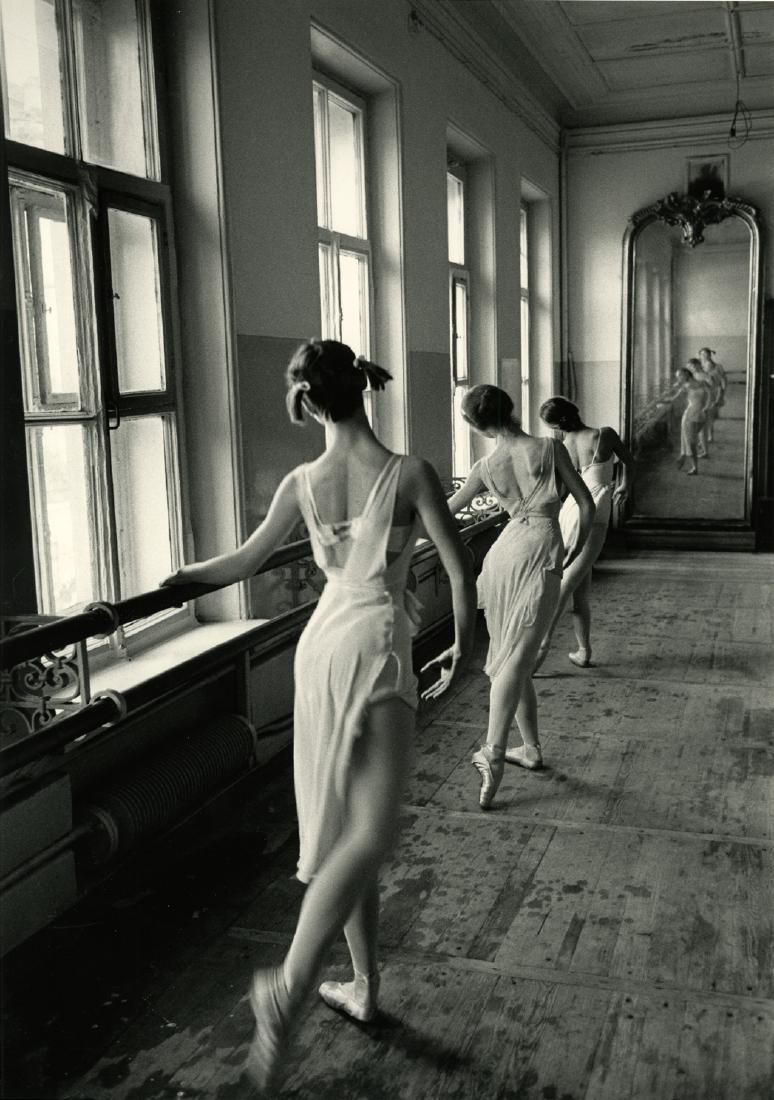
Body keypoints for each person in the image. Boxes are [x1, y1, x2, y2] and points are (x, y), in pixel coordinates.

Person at [162, 340, 477, 1092]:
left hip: (322, 646)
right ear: (362, 388)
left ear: (307, 402)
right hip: (375, 646)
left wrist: (174, 582)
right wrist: (464, 653)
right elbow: (458, 573)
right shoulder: (411, 473)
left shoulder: (301, 482)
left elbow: (240, 563)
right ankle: (290, 985)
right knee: (373, 833)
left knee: (348, 832)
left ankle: (363, 987)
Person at [446, 384, 594, 808]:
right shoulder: (549, 447)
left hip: (504, 554)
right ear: (510, 409)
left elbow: (443, 513)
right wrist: (576, 549)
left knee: (514, 655)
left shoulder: (485, 466)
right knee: (515, 658)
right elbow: (585, 504)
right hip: (541, 548)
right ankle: (493, 752)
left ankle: (530, 749)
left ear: (476, 426)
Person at [532, 397, 634, 671]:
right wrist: (624, 485)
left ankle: (583, 651)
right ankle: (539, 650)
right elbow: (629, 461)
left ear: (557, 425)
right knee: (566, 586)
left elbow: (558, 488)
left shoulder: (562, 445)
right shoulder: (604, 435)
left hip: (571, 509)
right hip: (594, 510)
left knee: (579, 591)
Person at [659, 362, 711, 474]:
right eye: (677, 377)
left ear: (686, 374)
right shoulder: (684, 387)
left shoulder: (702, 383)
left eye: (680, 376)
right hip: (689, 416)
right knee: (692, 442)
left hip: (701, 415)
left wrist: (706, 407)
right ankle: (694, 467)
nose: (678, 378)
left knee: (689, 439)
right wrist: (660, 401)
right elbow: (672, 399)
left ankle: (683, 456)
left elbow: (710, 395)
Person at [698, 347, 727, 442]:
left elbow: (723, 380)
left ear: (710, 355)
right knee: (701, 415)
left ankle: (710, 436)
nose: (704, 356)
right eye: (702, 354)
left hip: (714, 393)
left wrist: (722, 393)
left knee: (710, 416)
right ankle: (702, 437)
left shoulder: (718, 367)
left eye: (706, 354)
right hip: (702, 393)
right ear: (700, 356)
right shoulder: (699, 367)